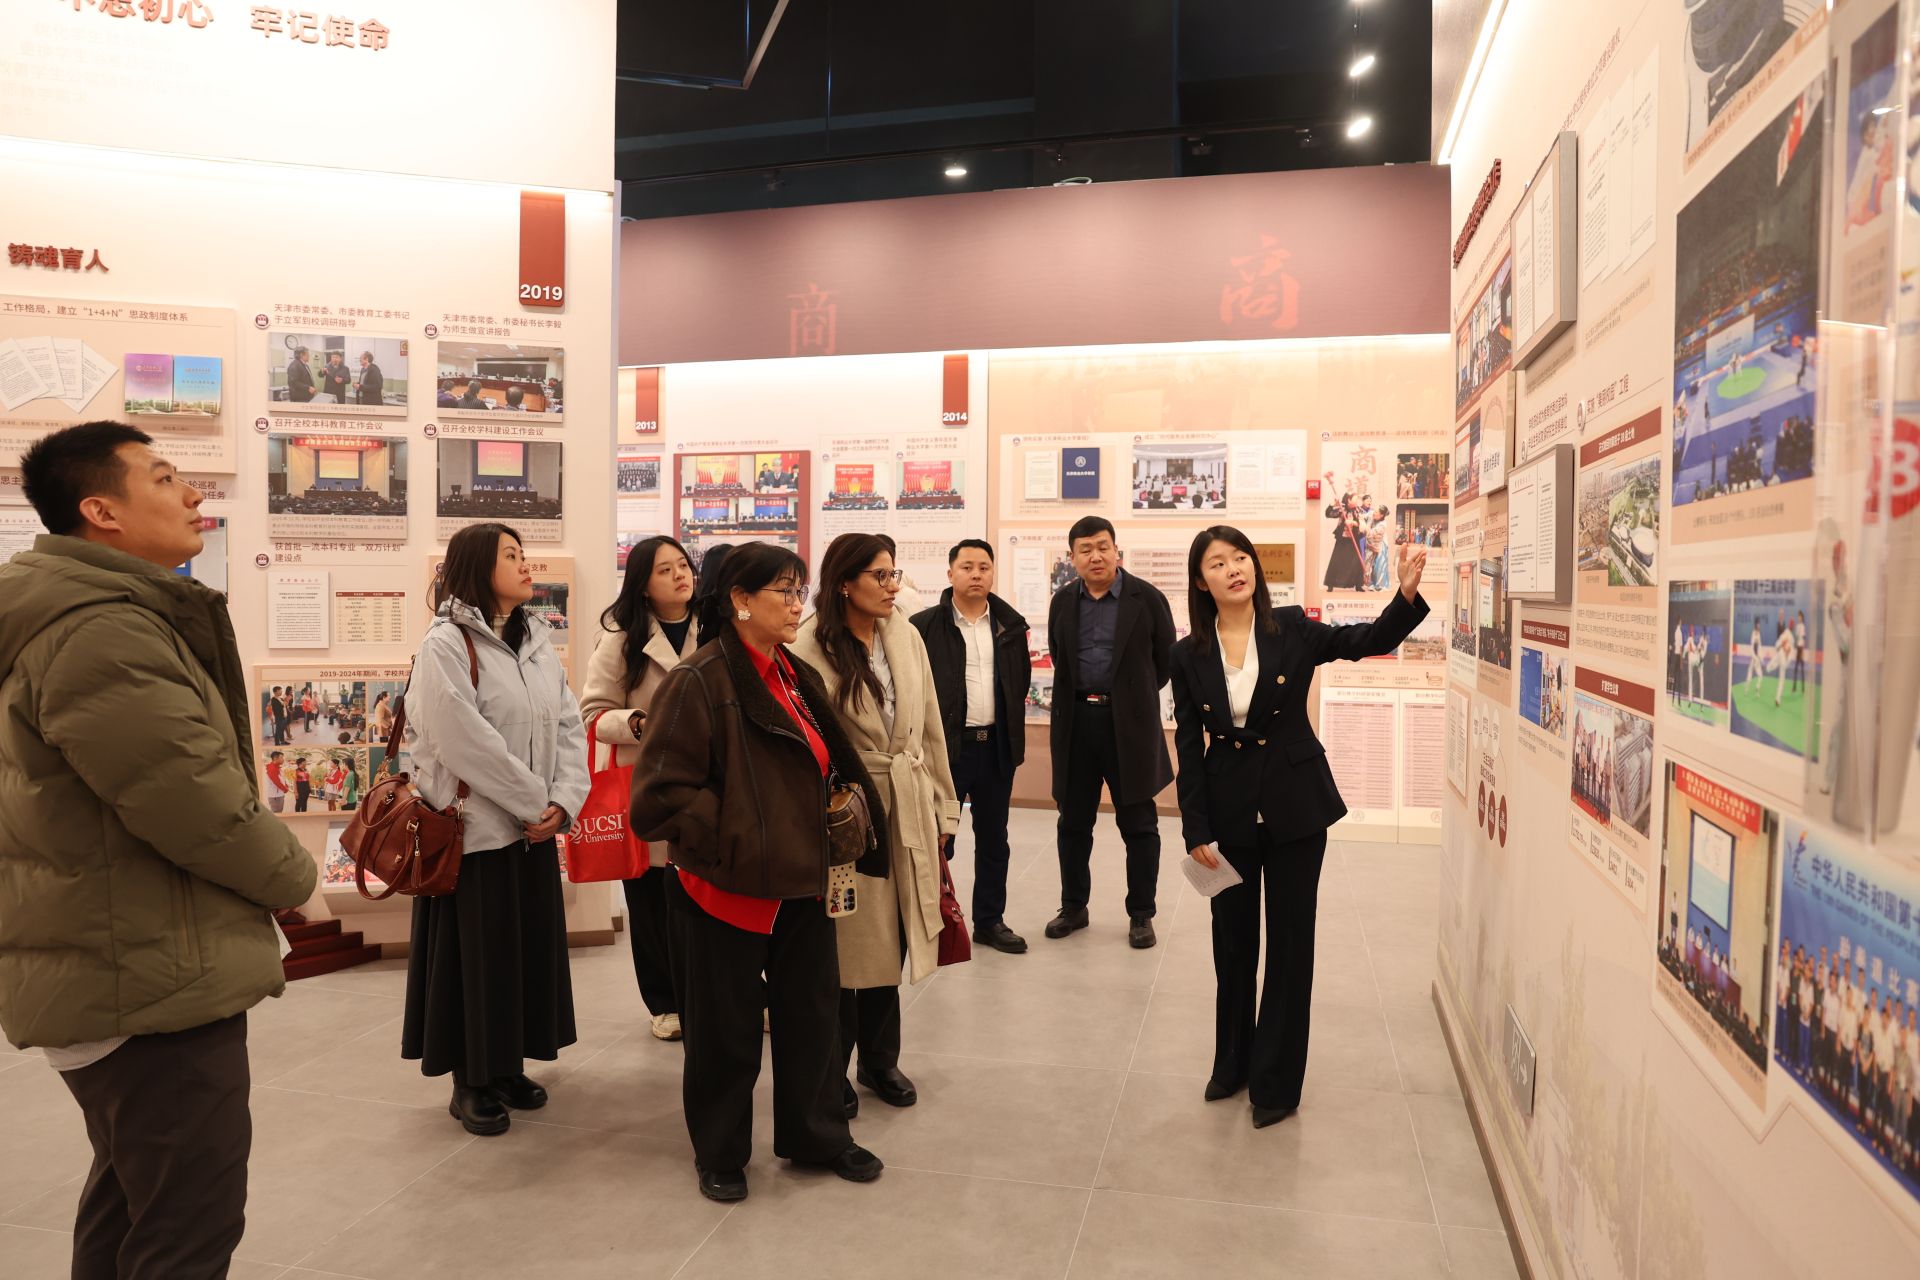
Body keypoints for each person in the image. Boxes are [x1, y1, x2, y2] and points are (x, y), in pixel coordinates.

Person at [0, 421, 317, 1277]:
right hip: (144, 976)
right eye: (166, 476)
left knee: (131, 1201)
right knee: (186, 1226)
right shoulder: (100, 631)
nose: (193, 493)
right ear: (100, 510)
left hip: (122, 960)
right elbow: (191, 800)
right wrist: (294, 877)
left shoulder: (88, 614)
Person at [632, 542, 889, 1202]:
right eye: (785, 591)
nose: (799, 604)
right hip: (725, 890)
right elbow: (658, 797)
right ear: (741, 600)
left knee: (814, 1020)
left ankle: (817, 1136)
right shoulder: (698, 680)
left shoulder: (793, 675)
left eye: (801, 591)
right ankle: (720, 1152)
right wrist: (735, 836)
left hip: (803, 882)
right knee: (725, 1034)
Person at [1171, 525, 1429, 1127]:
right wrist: (1195, 828)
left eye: (1241, 557)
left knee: (1290, 947)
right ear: (1201, 581)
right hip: (1228, 811)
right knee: (1233, 944)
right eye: (1218, 563)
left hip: (1296, 808)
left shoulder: (1291, 627)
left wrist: (1404, 596)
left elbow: (1364, 640)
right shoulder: (1187, 654)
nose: (1234, 569)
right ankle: (1232, 1063)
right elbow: (1188, 742)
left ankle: (1276, 1085)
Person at [400, 522, 589, 1137]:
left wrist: (564, 800)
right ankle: (471, 1082)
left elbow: (568, 725)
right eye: (512, 556)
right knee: (477, 964)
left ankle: (506, 1067)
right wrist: (535, 803)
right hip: (475, 836)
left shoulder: (536, 640)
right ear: (480, 566)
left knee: (522, 956)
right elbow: (462, 741)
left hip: (531, 832)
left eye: (524, 554)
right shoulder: (446, 644)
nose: (526, 565)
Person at [792, 533, 959, 1117]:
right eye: (880, 576)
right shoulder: (808, 646)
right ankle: (833, 1066)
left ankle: (881, 1061)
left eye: (894, 574)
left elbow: (931, 727)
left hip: (907, 800)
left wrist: (943, 806)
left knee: (896, 933)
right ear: (844, 583)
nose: (893, 587)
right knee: (849, 944)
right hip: (847, 812)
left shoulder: (904, 634)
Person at [579, 535, 699, 1041]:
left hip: (706, 787)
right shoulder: (621, 639)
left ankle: (723, 997)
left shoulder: (715, 627)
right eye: (664, 570)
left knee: (708, 901)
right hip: (647, 785)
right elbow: (592, 713)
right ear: (643, 586)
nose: (679, 575)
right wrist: (639, 723)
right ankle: (664, 1002)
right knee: (651, 903)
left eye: (683, 565)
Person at [1047, 516, 1176, 948]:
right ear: (1073, 558)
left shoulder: (1148, 598)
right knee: (1073, 823)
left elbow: (1164, 663)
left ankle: (1141, 913)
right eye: (1085, 549)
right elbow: (1060, 657)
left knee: (1139, 825)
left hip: (1130, 726)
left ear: (1117, 550)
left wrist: (1129, 697)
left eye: (1103, 546)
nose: (1096, 556)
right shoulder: (1063, 602)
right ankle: (1073, 907)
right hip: (1077, 725)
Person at [910, 538, 1033, 954]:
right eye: (967, 567)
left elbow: (1019, 683)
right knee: (938, 839)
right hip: (946, 750)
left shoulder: (1010, 626)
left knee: (994, 839)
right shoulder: (924, 626)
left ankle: (989, 921)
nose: (976, 574)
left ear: (993, 573)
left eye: (984, 567)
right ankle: (932, 920)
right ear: (950, 574)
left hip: (995, 747)